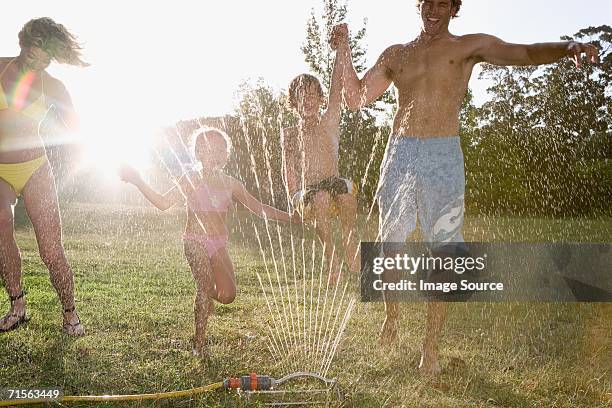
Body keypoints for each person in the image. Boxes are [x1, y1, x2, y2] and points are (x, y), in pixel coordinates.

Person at [330, 0, 599, 377]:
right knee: (389, 244)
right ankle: (391, 318)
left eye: (444, 2)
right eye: (429, 2)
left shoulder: (467, 47)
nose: (434, 9)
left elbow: (521, 53)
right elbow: (356, 98)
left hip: (443, 156)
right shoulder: (396, 54)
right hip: (400, 154)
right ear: (419, 6)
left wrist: (566, 48)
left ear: (454, 9)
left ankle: (430, 348)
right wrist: (343, 48)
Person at [120, 127, 298, 357]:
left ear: (226, 154)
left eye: (220, 149)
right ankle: (199, 344)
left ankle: (207, 295)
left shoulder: (231, 183)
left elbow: (258, 208)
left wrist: (291, 218)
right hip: (194, 240)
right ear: (198, 153)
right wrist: (137, 180)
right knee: (204, 286)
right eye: (208, 148)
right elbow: (164, 203)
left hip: (218, 243)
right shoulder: (191, 179)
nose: (214, 153)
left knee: (227, 295)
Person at [0, 18, 89, 335]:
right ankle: (17, 306)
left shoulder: (54, 87)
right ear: (21, 44)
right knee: (1, 227)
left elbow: (77, 132)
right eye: (31, 56)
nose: (35, 65)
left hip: (35, 167)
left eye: (45, 61)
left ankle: (70, 314)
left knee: (51, 250)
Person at [282, 51, 360, 282]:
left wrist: (341, 51)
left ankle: (348, 240)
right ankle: (331, 259)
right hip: (309, 192)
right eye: (301, 97)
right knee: (322, 199)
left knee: (346, 195)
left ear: (321, 99)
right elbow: (288, 170)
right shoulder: (289, 134)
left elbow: (337, 86)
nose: (307, 101)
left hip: (331, 182)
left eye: (312, 96)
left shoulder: (329, 121)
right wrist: (293, 198)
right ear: (294, 103)